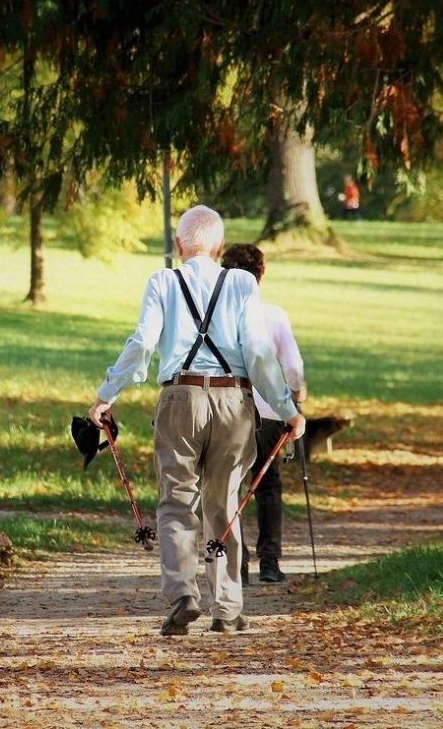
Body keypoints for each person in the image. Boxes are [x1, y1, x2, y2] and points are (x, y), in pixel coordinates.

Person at [88, 205, 305, 637]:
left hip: (180, 398)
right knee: (224, 502)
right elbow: (260, 356)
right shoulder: (242, 283)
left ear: (178, 246)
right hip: (233, 400)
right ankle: (227, 608)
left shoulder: (162, 282)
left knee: (175, 500)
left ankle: (183, 595)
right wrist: (287, 409)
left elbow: (142, 343)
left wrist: (105, 395)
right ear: (219, 248)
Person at [220, 244, 306, 586]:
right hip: (270, 410)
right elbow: (293, 366)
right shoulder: (273, 315)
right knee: (268, 484)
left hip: (230, 408)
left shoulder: (219, 316)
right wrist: (296, 394)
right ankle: (269, 562)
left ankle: (236, 564)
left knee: (230, 484)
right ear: (261, 275)